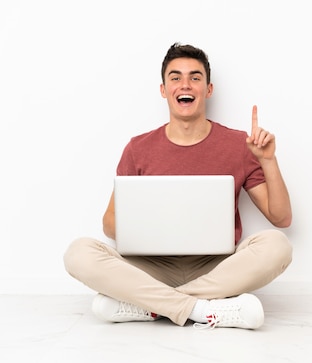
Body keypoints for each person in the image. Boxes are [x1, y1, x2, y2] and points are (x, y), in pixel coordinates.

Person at [63, 43, 293, 330]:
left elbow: (282, 218)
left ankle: (151, 306)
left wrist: (268, 160)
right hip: (152, 268)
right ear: (164, 89)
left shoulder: (239, 145)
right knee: (78, 252)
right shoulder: (138, 148)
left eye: (195, 77)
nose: (186, 84)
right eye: (176, 77)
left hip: (217, 267)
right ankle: (202, 309)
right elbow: (109, 226)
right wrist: (148, 219)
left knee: (277, 246)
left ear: (208, 89)